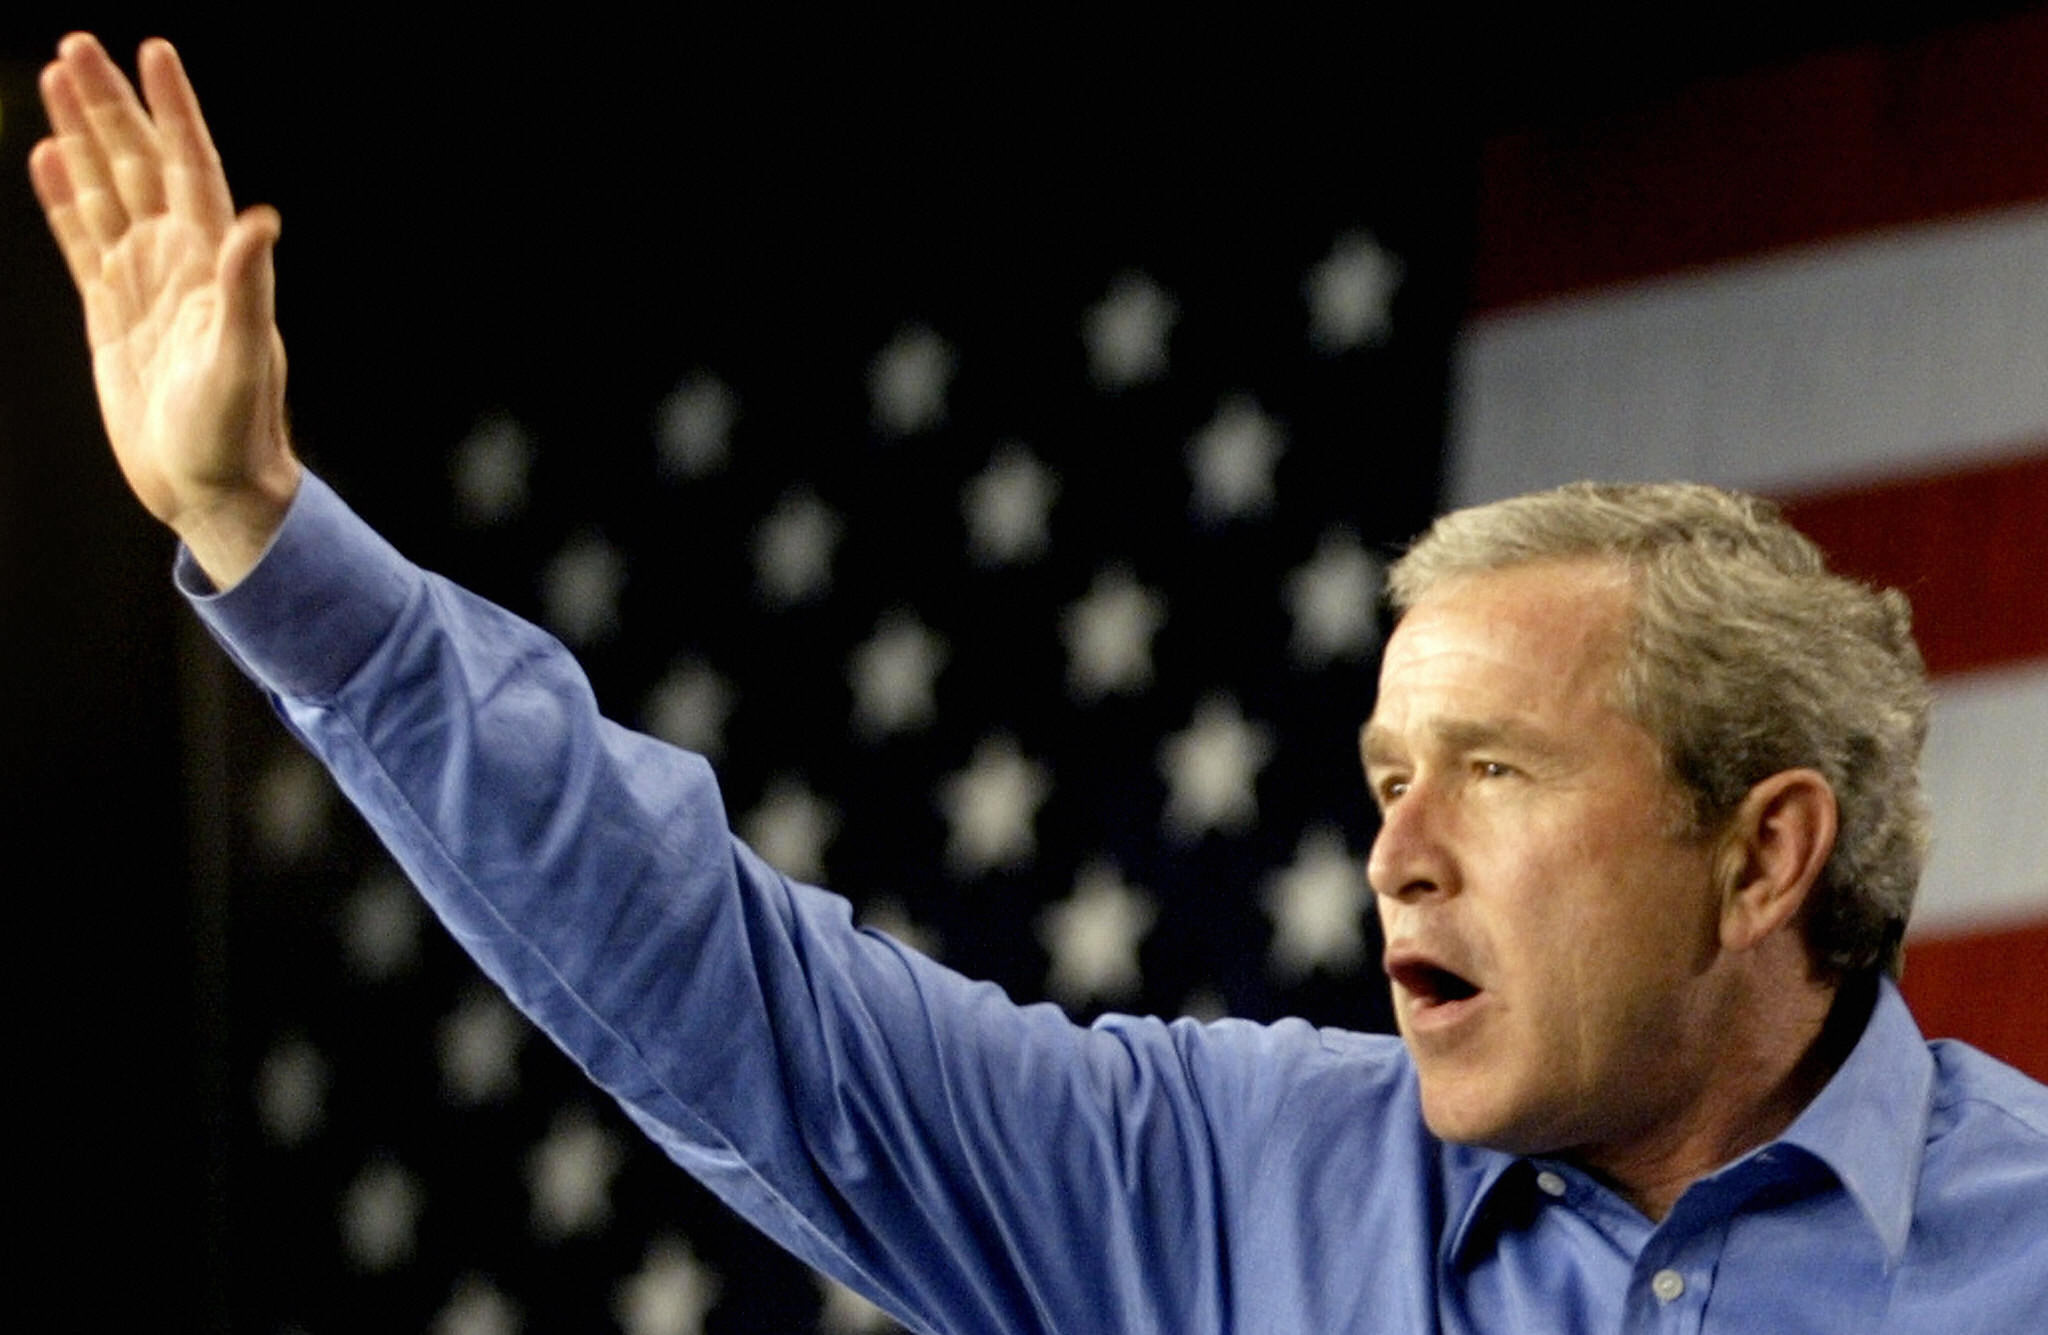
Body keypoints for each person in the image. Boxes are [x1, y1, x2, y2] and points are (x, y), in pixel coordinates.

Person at [31, 32, 2048, 1333]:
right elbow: (735, 993)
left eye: (1494, 770)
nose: (1397, 857)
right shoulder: (1224, 1181)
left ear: (1761, 847)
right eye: (1384, 777)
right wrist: (271, 543)